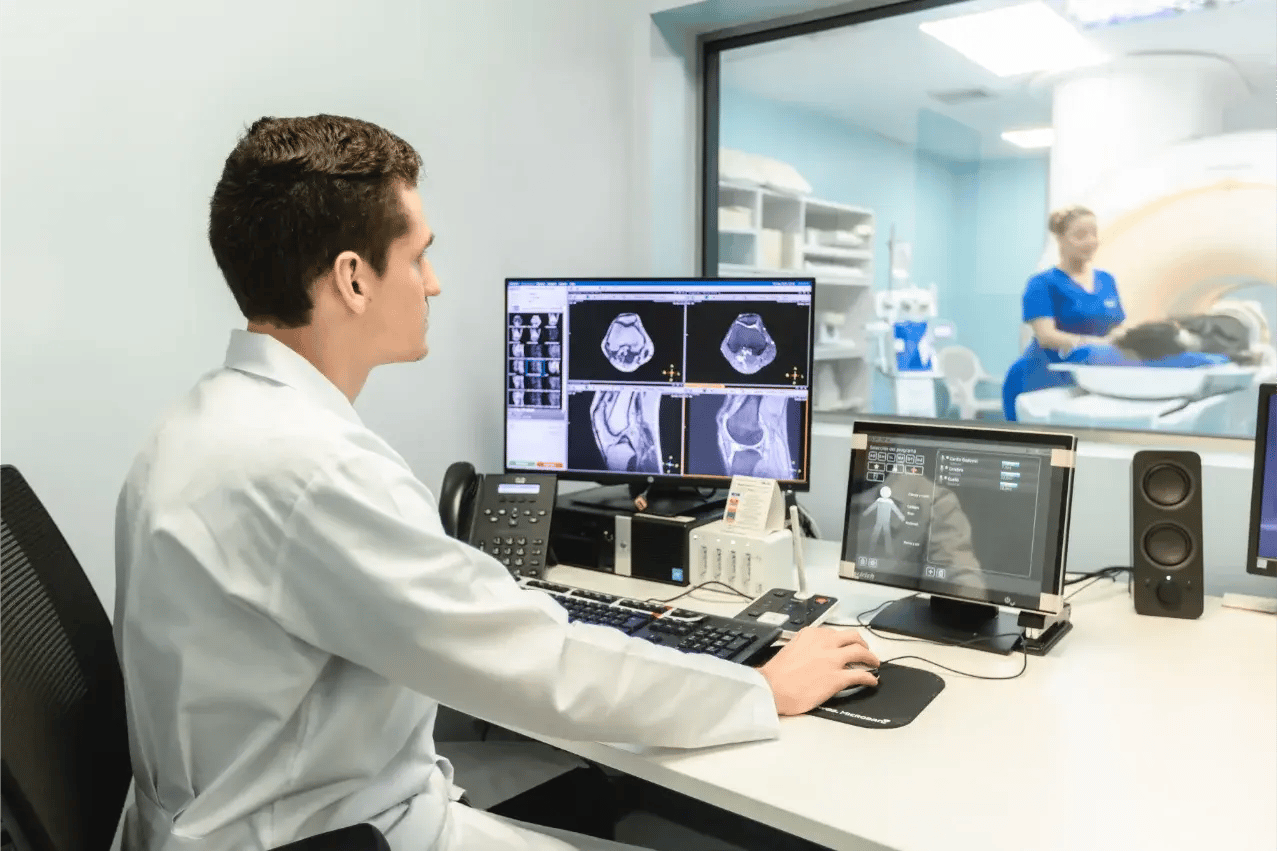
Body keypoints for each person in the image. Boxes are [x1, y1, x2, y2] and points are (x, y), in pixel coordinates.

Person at [112, 114, 881, 851]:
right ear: (353, 278)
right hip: (326, 837)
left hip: (246, 812)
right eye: (418, 257)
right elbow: (541, 666)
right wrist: (760, 687)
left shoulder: (195, 423)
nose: (433, 283)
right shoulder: (313, 467)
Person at [1001, 205, 1127, 420]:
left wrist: (1123, 339)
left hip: (1093, 376)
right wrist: (1095, 343)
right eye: (1080, 235)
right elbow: (1046, 336)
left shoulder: (1106, 280)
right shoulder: (1042, 283)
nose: (1090, 241)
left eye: (1094, 234)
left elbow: (1117, 325)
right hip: (1042, 376)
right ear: (1060, 239)